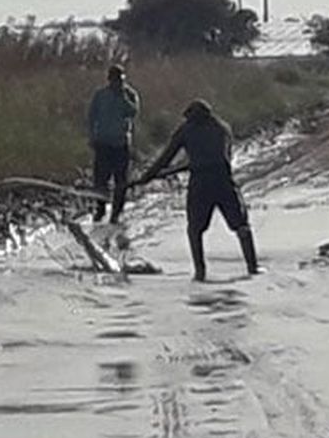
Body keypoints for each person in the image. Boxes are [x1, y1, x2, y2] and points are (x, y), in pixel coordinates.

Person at [138, 99, 260, 282]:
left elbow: (166, 158)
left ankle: (200, 272)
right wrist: (162, 172)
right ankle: (253, 267)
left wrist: (147, 176)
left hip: (201, 184)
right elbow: (221, 157)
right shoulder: (222, 128)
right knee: (241, 226)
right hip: (223, 182)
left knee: (195, 230)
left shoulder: (186, 130)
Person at [87, 64, 139, 223]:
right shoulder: (100, 95)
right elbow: (91, 116)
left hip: (120, 143)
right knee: (101, 178)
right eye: (114, 80)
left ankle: (116, 212)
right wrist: (91, 136)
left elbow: (133, 112)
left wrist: (122, 97)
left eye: (120, 80)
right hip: (103, 142)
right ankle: (100, 208)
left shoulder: (130, 94)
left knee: (120, 180)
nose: (117, 83)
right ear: (109, 80)